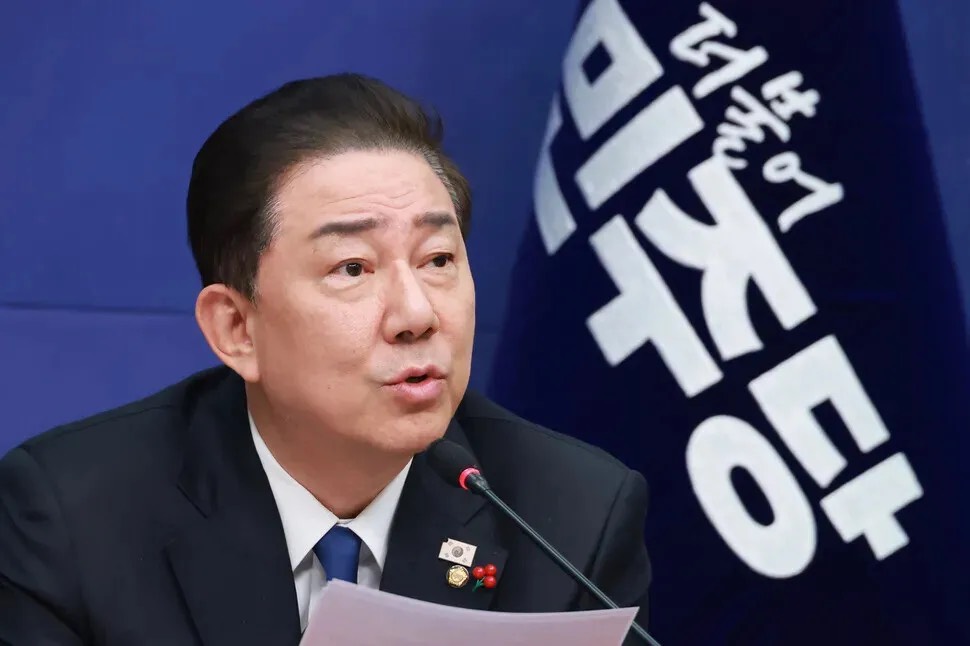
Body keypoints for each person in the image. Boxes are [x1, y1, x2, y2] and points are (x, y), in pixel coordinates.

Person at [0, 74, 652, 645]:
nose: (417, 314)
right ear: (236, 328)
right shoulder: (72, 517)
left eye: (438, 260)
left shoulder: (571, 516)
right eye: (352, 268)